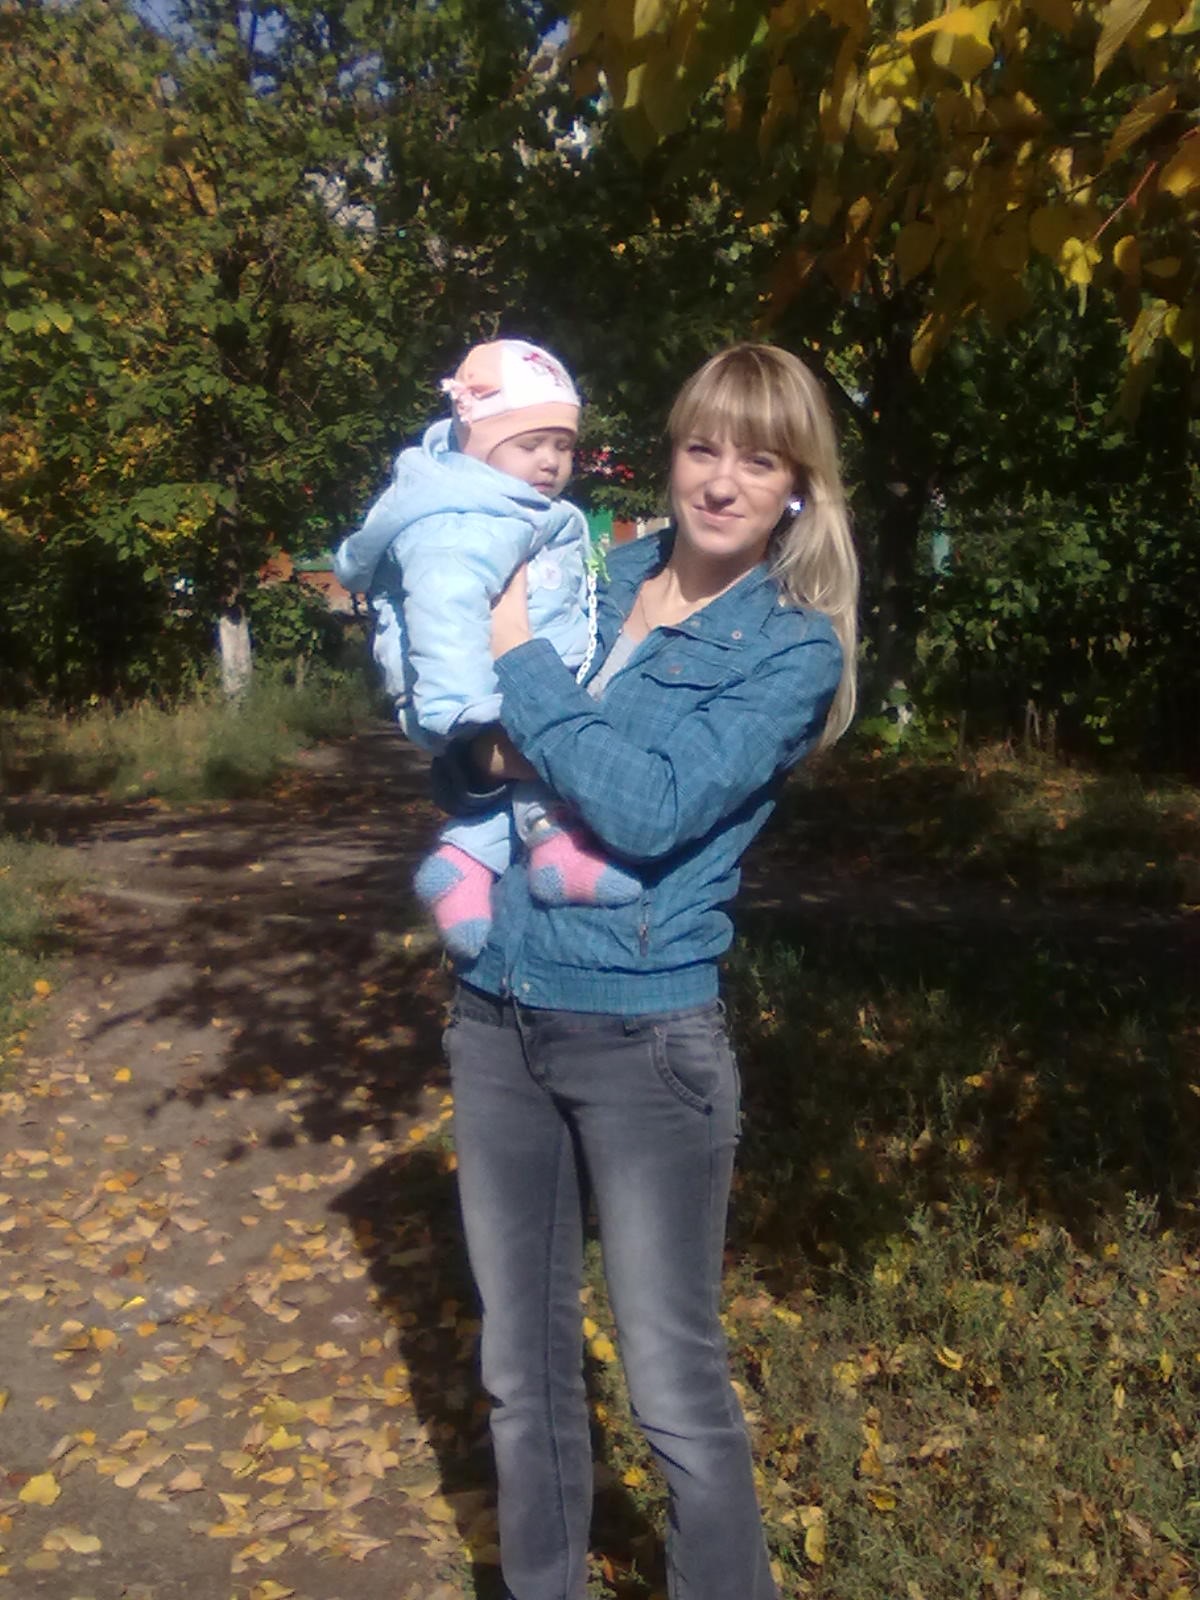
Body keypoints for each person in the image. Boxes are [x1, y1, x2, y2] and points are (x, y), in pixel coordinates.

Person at [438, 343, 859, 1600]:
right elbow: (456, 751)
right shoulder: (593, 569)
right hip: (497, 1012)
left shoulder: (792, 649)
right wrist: (518, 747)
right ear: (670, 455)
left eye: (759, 460)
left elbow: (651, 805)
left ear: (797, 487)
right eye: (701, 447)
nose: (721, 481)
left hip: (644, 1042)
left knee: (672, 1384)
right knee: (519, 1373)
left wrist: (519, 667)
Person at [332, 337, 639, 961]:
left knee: (547, 755)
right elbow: (443, 604)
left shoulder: (505, 506)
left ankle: (464, 862)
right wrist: (462, 707)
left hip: (511, 674)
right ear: (480, 443)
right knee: (554, 758)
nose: (551, 461)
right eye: (530, 445)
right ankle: (555, 849)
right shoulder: (464, 518)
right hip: (476, 687)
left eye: (563, 446)